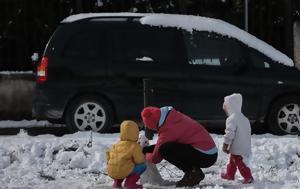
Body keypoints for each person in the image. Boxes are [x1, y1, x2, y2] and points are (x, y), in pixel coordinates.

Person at [141, 106, 218, 187]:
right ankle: (194, 171)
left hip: (205, 156)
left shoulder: (167, 130)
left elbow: (155, 158)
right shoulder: (173, 117)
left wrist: (145, 154)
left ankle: (192, 173)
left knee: (165, 150)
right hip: (209, 152)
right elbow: (166, 143)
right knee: (167, 147)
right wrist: (148, 149)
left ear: (154, 124)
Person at [221, 93, 254, 184]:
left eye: (226, 107)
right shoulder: (244, 118)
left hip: (238, 148)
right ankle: (230, 174)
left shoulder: (232, 119)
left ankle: (248, 176)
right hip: (245, 146)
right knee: (232, 161)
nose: (225, 110)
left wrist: (225, 145)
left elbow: (229, 134)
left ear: (231, 106)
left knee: (240, 162)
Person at [106, 120, 146, 189]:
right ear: (135, 132)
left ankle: (117, 182)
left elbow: (108, 155)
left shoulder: (117, 144)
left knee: (121, 165)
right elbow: (139, 160)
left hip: (112, 171)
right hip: (123, 170)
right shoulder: (135, 146)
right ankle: (129, 183)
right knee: (142, 166)